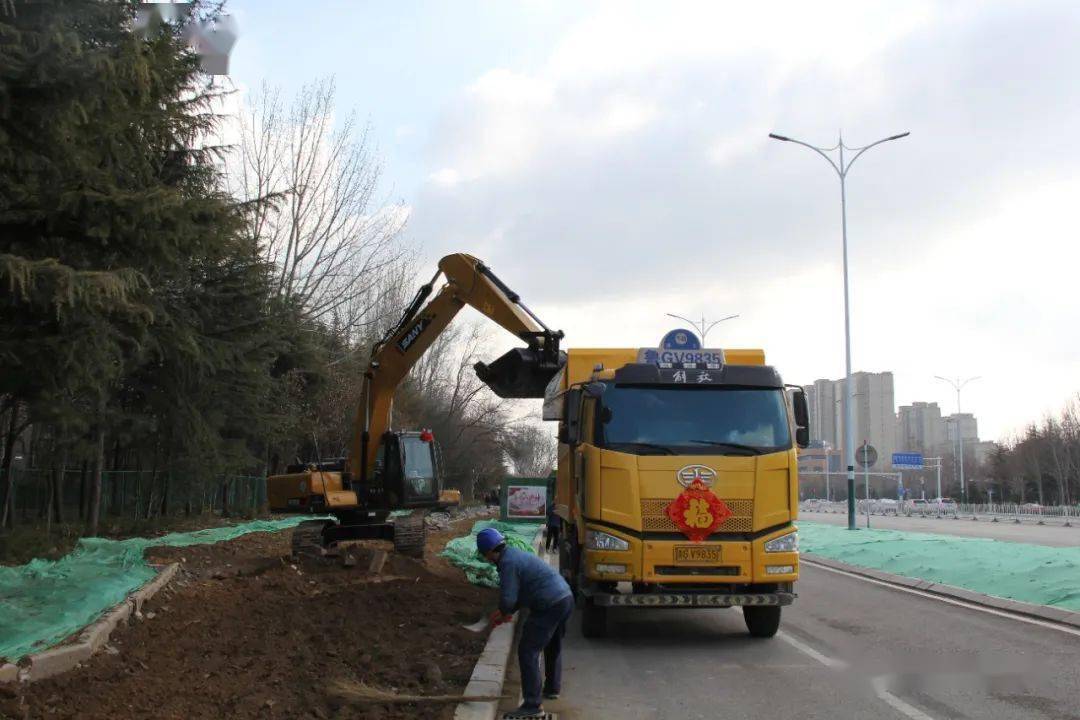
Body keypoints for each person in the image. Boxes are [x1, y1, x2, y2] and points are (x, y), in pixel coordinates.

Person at [476, 527, 573, 719]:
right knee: (552, 645)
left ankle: (532, 705)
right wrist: (507, 612)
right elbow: (522, 593)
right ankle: (552, 688)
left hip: (549, 604)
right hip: (565, 598)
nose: (486, 558)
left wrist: (504, 611)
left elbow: (509, 598)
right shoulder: (514, 554)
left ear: (488, 552)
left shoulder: (507, 563)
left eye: (484, 555)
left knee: (528, 650)